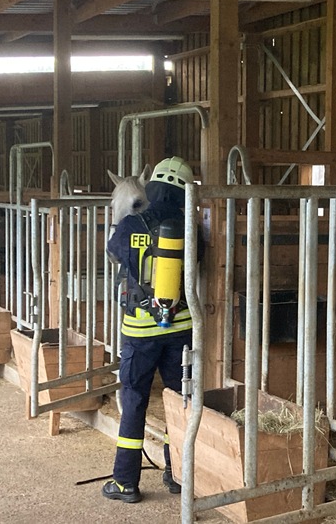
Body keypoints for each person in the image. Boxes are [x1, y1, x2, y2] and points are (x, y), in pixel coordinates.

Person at [102, 156, 203, 503]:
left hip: (141, 330)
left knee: (134, 402)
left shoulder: (132, 224)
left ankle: (125, 481)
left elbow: (114, 251)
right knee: (179, 401)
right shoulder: (191, 228)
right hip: (182, 329)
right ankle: (177, 475)